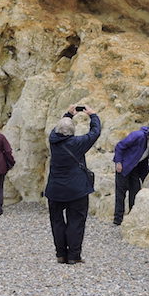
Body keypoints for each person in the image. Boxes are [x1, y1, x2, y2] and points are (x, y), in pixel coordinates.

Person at [44, 105, 101, 264]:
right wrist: (93, 115)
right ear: (73, 131)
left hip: (55, 189)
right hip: (76, 189)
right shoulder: (78, 143)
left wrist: (68, 113)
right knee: (76, 221)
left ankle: (61, 254)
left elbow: (60, 127)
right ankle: (73, 256)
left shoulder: (52, 140)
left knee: (57, 222)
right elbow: (95, 133)